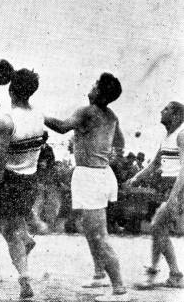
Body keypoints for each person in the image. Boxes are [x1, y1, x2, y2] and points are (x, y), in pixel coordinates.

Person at [45, 73, 131, 302]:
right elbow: (120, 144)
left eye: (95, 85)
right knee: (90, 227)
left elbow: (62, 127)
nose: (91, 87)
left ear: (99, 92)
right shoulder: (112, 116)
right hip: (100, 174)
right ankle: (99, 273)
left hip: (90, 176)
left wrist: (38, 116)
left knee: (99, 235)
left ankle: (119, 289)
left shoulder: (86, 111)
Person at [0, 69, 45, 302]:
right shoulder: (38, 116)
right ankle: (25, 279)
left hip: (8, 181)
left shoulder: (6, 121)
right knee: (14, 233)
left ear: (11, 89)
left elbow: (0, 163)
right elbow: (18, 148)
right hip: (28, 182)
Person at [131, 101, 184, 289]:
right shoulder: (166, 137)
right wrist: (135, 178)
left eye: (167, 109)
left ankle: (164, 272)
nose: (162, 111)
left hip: (178, 188)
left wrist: (174, 196)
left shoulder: (181, 134)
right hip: (167, 187)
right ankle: (171, 273)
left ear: (177, 115)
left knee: (157, 225)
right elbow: (154, 164)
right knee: (158, 228)